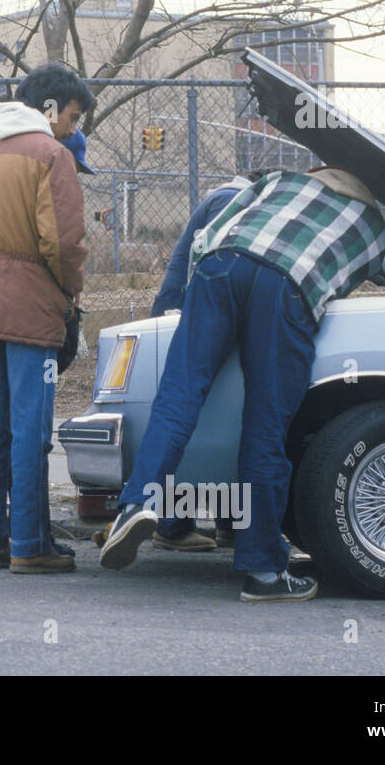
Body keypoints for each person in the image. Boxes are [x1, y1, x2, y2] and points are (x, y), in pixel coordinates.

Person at [100, 166, 385, 602]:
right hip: (284, 286)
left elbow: (206, 233)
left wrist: (198, 305)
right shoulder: (378, 231)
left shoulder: (281, 181)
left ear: (321, 172)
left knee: (178, 398)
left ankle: (137, 503)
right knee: (265, 426)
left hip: (218, 266)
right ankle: (263, 571)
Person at [0, 62, 91, 574]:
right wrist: (70, 290)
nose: (74, 128)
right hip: (31, 303)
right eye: (72, 116)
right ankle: (30, 544)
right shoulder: (52, 155)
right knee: (30, 426)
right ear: (49, 110)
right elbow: (63, 241)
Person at [146, 167, 279, 551]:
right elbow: (214, 263)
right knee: (186, 416)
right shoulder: (231, 201)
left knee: (219, 411)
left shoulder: (225, 198)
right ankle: (170, 525)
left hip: (191, 309)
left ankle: (227, 522)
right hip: (189, 313)